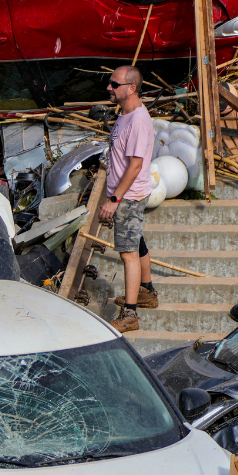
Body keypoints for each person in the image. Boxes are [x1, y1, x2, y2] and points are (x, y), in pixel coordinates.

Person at [98, 65, 157, 335]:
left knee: (127, 254)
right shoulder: (125, 114)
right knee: (137, 242)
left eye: (114, 84)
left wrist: (113, 199)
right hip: (128, 194)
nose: (109, 88)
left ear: (131, 88)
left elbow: (134, 166)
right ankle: (147, 291)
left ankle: (130, 314)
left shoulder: (138, 122)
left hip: (128, 197)